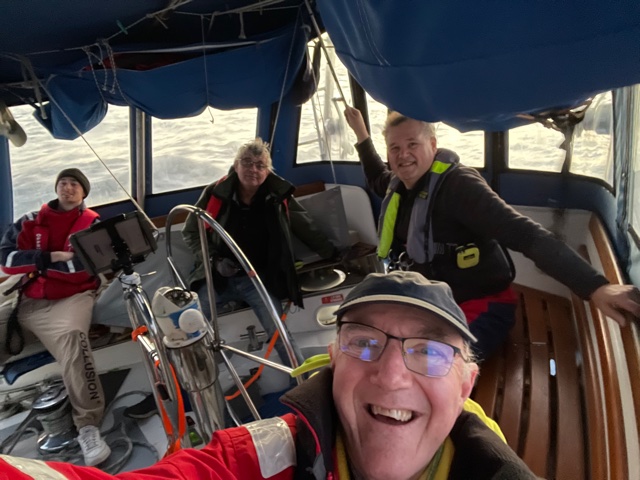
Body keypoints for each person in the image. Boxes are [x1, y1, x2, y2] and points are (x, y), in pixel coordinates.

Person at [0, 271, 539, 479]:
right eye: (364, 343)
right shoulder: (260, 459)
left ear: (465, 385)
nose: (393, 375)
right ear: (334, 361)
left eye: (429, 351)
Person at [344, 106, 640, 360]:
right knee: (372, 339)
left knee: (430, 365)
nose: (403, 155)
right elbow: (376, 176)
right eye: (394, 148)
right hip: (434, 302)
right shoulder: (398, 186)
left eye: (412, 144)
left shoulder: (460, 186)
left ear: (432, 145)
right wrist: (361, 134)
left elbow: (526, 235)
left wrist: (595, 287)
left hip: (481, 305)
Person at [182, 137, 336, 368]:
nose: (253, 169)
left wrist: (333, 253)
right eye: (246, 162)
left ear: (267, 171)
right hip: (216, 278)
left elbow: (304, 226)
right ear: (236, 166)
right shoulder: (216, 193)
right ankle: (196, 377)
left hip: (256, 280)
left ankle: (302, 381)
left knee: (279, 333)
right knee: (189, 325)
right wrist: (214, 260)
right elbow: (191, 233)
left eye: (260, 165)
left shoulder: (277, 196)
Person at [0, 168, 111, 467]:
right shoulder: (29, 221)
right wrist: (50, 257)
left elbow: (83, 269)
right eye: (63, 182)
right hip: (27, 299)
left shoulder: (92, 225)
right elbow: (6, 261)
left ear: (84, 193)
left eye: (75, 184)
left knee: (75, 339)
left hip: (70, 299)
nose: (68, 187)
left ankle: (88, 426)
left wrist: (33, 264)